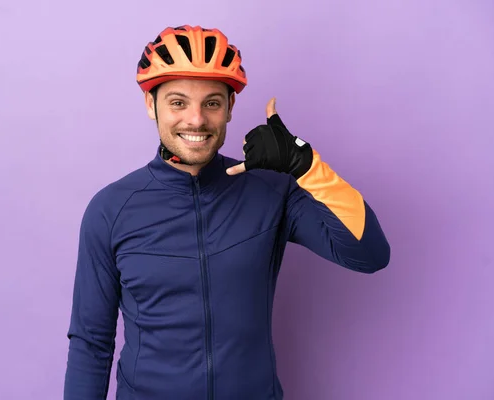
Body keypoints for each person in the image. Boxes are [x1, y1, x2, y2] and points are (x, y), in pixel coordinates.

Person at [63, 24, 390, 400]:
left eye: (212, 103)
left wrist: (305, 166)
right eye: (178, 102)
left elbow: (369, 254)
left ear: (230, 108)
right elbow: (91, 342)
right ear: (150, 104)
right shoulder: (110, 210)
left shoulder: (271, 190)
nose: (197, 120)